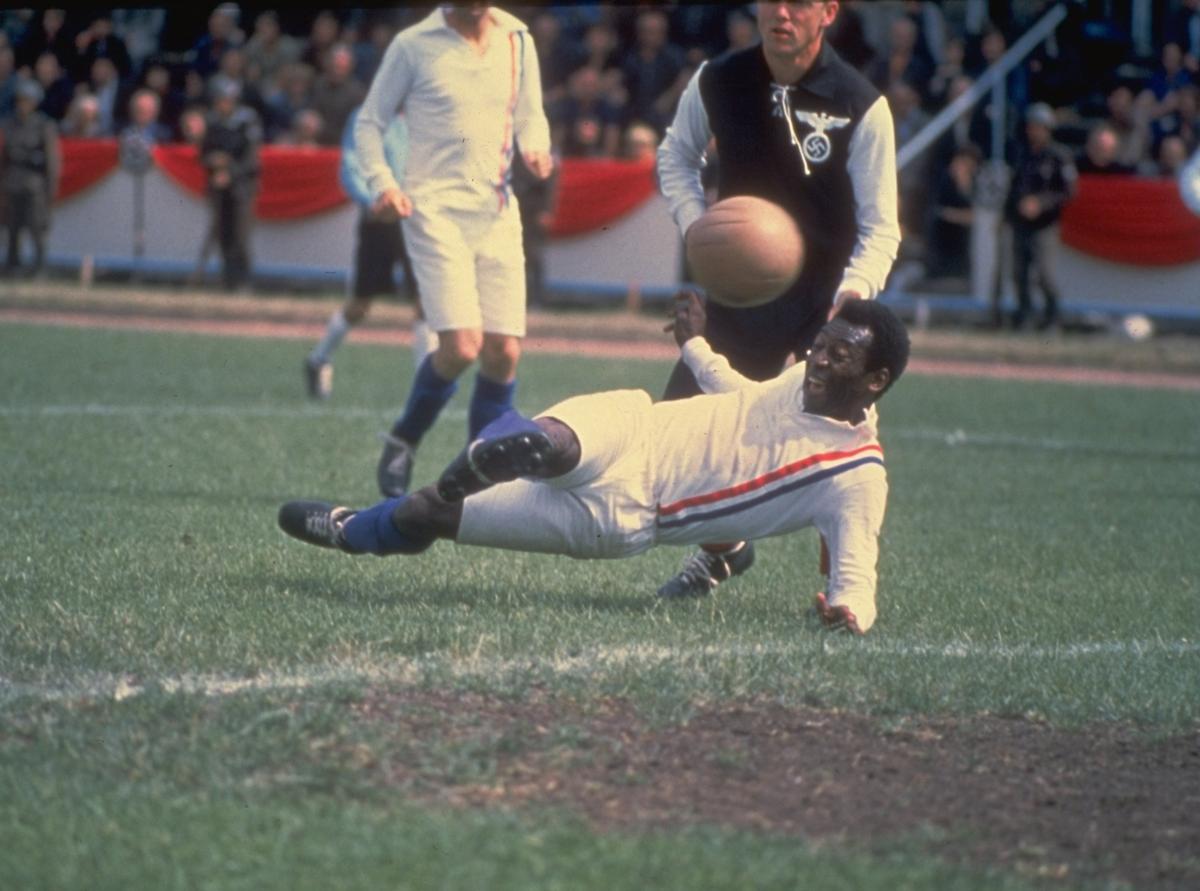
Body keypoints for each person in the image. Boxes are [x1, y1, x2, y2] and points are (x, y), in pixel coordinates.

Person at [278, 293, 911, 637]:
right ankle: (517, 445)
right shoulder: (804, 377)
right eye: (819, 346)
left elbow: (858, 578)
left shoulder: (855, 476)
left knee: (428, 510)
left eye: (839, 357)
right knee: (559, 440)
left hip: (629, 513)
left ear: (876, 380)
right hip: (638, 426)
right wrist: (695, 344)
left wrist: (849, 614)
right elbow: (746, 395)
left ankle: (355, 529)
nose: (818, 361)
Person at [653, 0, 900, 599]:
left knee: (841, 456)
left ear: (829, 12)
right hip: (742, 291)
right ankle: (726, 551)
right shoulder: (719, 78)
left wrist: (852, 296)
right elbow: (676, 156)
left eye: (800, 3)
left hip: (827, 305)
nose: (781, 13)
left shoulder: (861, 103)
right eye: (772, 1)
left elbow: (882, 228)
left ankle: (844, 588)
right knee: (672, 447)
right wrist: (699, 228)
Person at [354, 3, 552, 498]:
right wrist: (383, 183)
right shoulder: (413, 45)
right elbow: (369, 123)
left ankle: (477, 478)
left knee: (503, 352)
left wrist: (536, 146)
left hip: (496, 209)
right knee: (462, 347)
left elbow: (531, 116)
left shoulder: (517, 38)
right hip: (434, 209)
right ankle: (404, 438)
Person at [304, 107, 426, 399]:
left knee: (426, 301)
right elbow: (350, 165)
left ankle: (426, 384)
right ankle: (319, 358)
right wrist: (373, 201)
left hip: (418, 220)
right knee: (360, 304)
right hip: (380, 219)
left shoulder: (427, 111)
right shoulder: (367, 116)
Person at [1005, 102, 1075, 331]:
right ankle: (1024, 316)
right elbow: (1014, 187)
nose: (1033, 131)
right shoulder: (1021, 154)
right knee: (1020, 273)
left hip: (1045, 224)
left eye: (1038, 127)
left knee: (1045, 273)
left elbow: (1068, 191)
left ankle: (1052, 317)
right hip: (1020, 222)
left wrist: (1041, 203)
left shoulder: (1058, 156)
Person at [200, 74, 261, 291]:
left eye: (225, 100)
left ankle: (244, 280)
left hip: (242, 186)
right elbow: (204, 152)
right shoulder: (212, 121)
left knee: (240, 234)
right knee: (223, 233)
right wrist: (212, 162)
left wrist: (230, 171)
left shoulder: (246, 121)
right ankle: (228, 280)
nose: (222, 105)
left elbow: (251, 159)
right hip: (218, 185)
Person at [2, 78, 60, 278]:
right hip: (12, 181)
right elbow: (5, 157)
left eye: (27, 100)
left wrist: (51, 189)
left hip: (34, 183)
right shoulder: (9, 124)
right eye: (21, 100)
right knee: (12, 226)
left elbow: (51, 161)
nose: (23, 104)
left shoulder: (43, 125)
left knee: (36, 226)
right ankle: (12, 264)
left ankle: (39, 266)